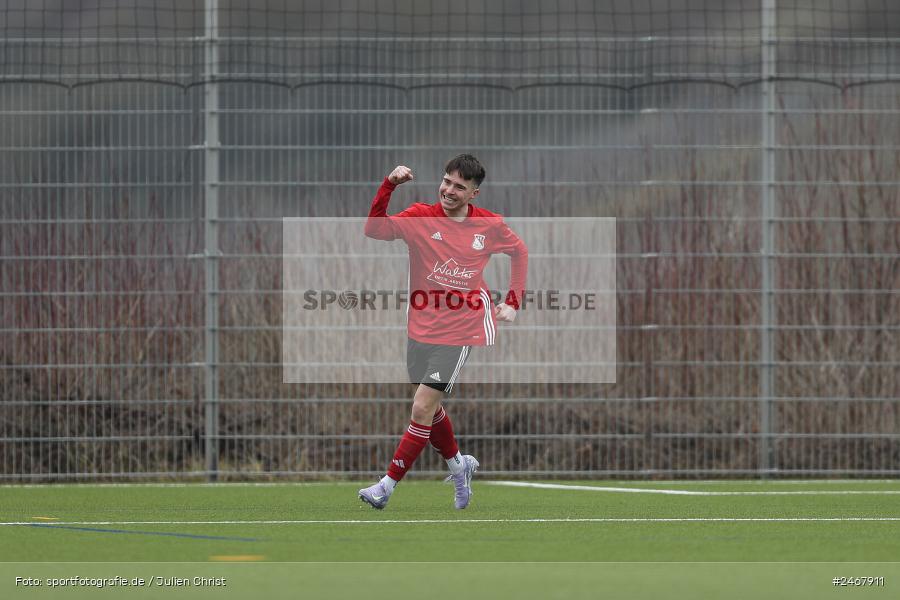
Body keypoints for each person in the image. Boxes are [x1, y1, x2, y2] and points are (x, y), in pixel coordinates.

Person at [358, 154, 528, 510]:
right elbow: (374, 229)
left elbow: (519, 252)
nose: (449, 191)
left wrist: (513, 301)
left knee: (421, 407)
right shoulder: (420, 217)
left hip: (462, 326)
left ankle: (385, 487)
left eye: (459, 187)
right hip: (421, 326)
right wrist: (389, 185)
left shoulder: (489, 226)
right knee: (430, 408)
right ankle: (458, 465)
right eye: (447, 182)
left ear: (474, 193)